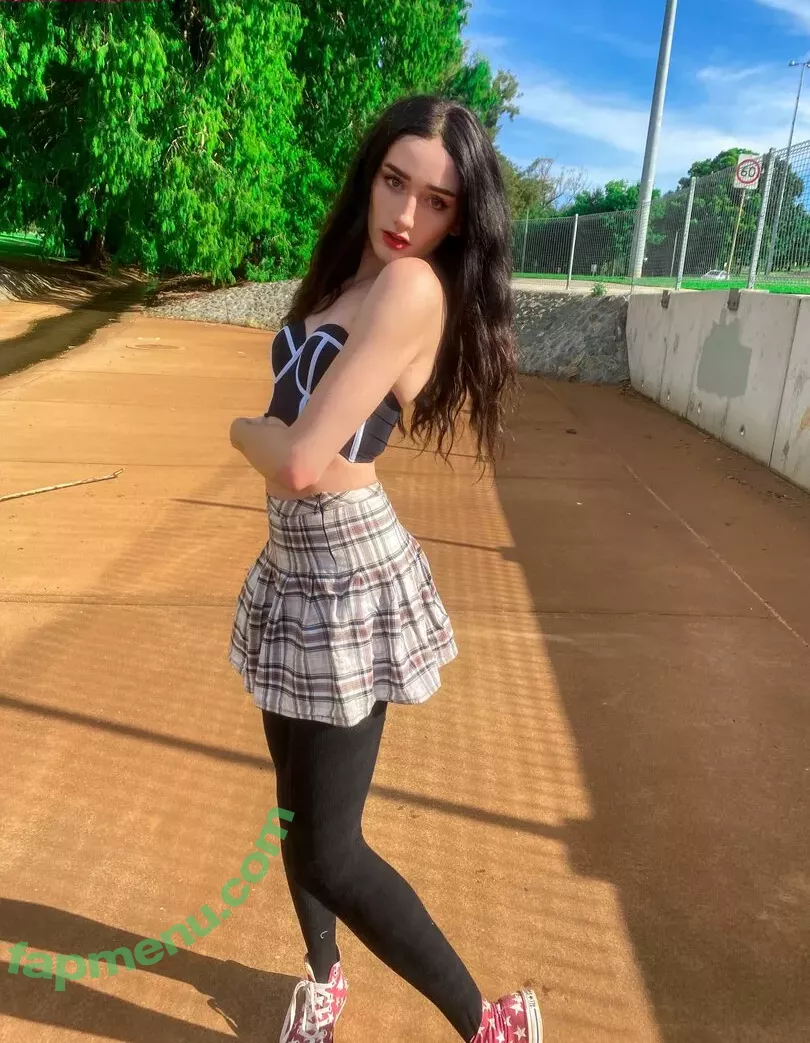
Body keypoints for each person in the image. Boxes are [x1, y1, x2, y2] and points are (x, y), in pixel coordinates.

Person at [228, 94, 542, 1043]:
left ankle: (489, 1021)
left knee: (331, 848)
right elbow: (297, 433)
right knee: (296, 818)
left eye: (437, 201)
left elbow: (297, 460)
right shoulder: (345, 277)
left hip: (348, 577)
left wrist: (241, 430)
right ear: (370, 176)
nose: (406, 216)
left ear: (462, 218)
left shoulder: (411, 289)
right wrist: (275, 436)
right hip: (293, 566)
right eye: (395, 182)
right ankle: (325, 981)